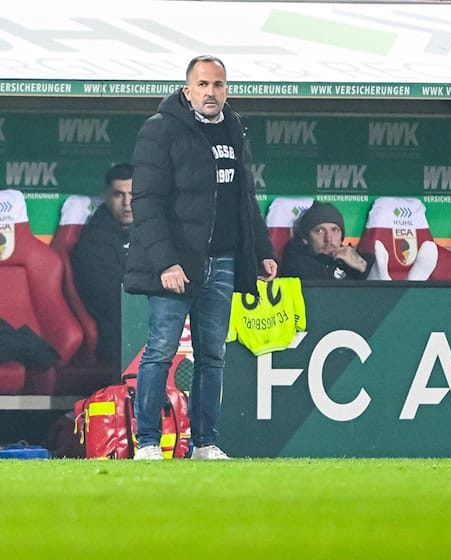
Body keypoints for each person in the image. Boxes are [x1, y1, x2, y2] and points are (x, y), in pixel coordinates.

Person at [125, 55, 277, 461]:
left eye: (219, 84)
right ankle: (148, 443)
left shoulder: (234, 128)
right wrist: (165, 263)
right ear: (188, 90)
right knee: (160, 350)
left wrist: (262, 251)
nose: (212, 92)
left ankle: (205, 443)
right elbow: (146, 202)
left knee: (213, 355)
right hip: (177, 264)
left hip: (223, 260)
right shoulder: (160, 129)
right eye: (204, 84)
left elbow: (245, 197)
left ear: (227, 89)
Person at [71, 163, 134, 366]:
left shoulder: (155, 231)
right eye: (119, 195)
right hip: (120, 334)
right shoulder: (93, 241)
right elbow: (110, 302)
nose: (127, 203)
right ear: (107, 198)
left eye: (133, 194)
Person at [280, 201, 373, 280]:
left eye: (335, 230)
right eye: (319, 231)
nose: (328, 239)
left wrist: (362, 267)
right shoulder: (296, 264)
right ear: (305, 238)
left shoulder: (358, 260)